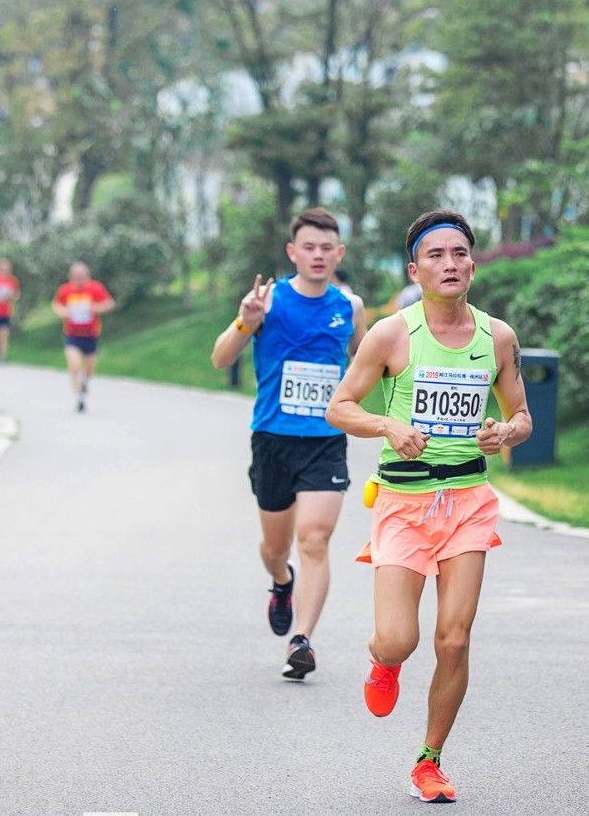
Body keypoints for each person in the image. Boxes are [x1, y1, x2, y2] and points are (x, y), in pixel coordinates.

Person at [326, 209, 531, 805]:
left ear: (473, 263)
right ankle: (382, 661)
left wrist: (505, 434)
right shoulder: (390, 335)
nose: (451, 263)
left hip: (468, 498)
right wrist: (389, 424)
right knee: (399, 639)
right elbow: (340, 406)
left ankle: (429, 760)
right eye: (436, 255)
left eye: (460, 253)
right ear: (415, 270)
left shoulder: (499, 338)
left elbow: (522, 415)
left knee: (455, 638)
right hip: (404, 502)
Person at [210, 208, 365, 681]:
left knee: (315, 538)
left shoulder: (350, 307)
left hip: (325, 441)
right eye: (309, 247)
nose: (318, 256)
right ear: (292, 252)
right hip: (273, 439)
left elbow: (363, 360)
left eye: (327, 248)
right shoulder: (266, 300)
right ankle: (281, 581)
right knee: (275, 547)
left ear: (339, 254)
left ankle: (302, 640)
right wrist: (244, 322)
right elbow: (220, 359)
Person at [51, 262, 115, 413]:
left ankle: (85, 382)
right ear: (71, 275)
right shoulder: (65, 290)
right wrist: (63, 312)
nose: (79, 278)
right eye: (76, 275)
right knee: (74, 366)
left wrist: (95, 308)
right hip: (72, 335)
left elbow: (109, 303)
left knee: (90, 369)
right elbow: (56, 305)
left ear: (87, 275)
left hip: (91, 335)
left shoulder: (95, 288)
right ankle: (79, 398)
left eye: (81, 275)